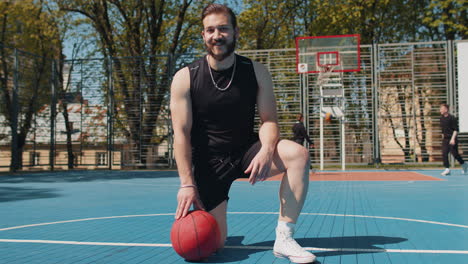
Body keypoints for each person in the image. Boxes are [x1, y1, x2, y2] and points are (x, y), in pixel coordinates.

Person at [170, 4, 316, 263]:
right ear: (203, 35)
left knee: (298, 154)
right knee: (213, 246)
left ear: (236, 32)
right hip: (208, 164)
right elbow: (181, 134)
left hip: (248, 151)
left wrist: (267, 149)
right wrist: (187, 184)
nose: (217, 35)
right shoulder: (185, 77)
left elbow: (270, 120)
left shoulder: (256, 72)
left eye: (223, 28)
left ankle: (284, 237)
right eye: (210, 30)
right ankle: (217, 225)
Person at [439, 104, 467, 176]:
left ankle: (464, 164)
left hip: (452, 138)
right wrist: (443, 136)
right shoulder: (441, 118)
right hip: (445, 139)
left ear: (446, 109)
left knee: (455, 154)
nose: (440, 110)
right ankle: (447, 169)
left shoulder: (452, 118)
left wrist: (453, 139)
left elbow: (455, 130)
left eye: (442, 109)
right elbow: (443, 129)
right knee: (444, 153)